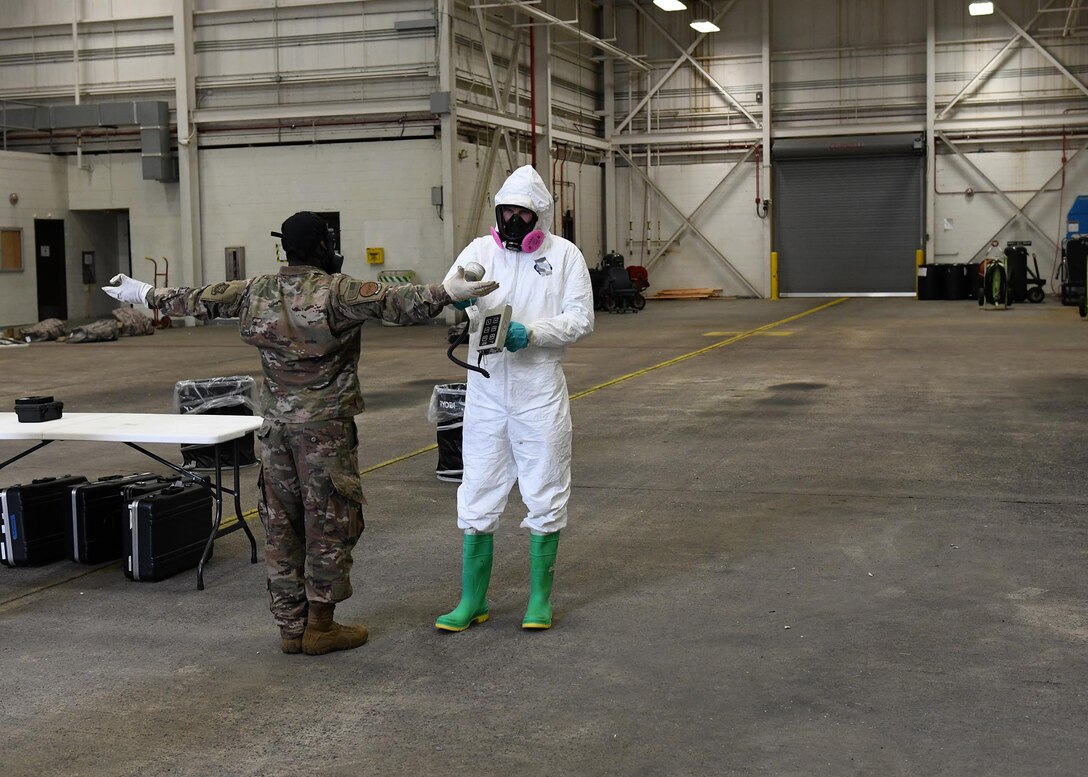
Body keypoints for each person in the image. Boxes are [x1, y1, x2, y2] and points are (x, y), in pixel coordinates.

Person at [103, 211, 498, 655]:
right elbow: (397, 301)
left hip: (275, 432)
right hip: (325, 432)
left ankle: (290, 628)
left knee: (280, 524)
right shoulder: (337, 290)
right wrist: (448, 292)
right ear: (323, 247)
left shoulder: (256, 290)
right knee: (330, 523)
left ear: (284, 249)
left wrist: (144, 293)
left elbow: (198, 299)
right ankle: (321, 627)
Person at [436, 165, 594, 632]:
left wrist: (534, 333)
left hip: (538, 390)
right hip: (486, 388)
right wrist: (461, 300)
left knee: (544, 485)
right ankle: (472, 601)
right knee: (478, 487)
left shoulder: (564, 255)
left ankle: (539, 599)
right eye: (505, 211)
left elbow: (581, 318)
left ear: (538, 216)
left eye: (521, 213)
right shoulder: (480, 250)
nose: (511, 220)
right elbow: (451, 287)